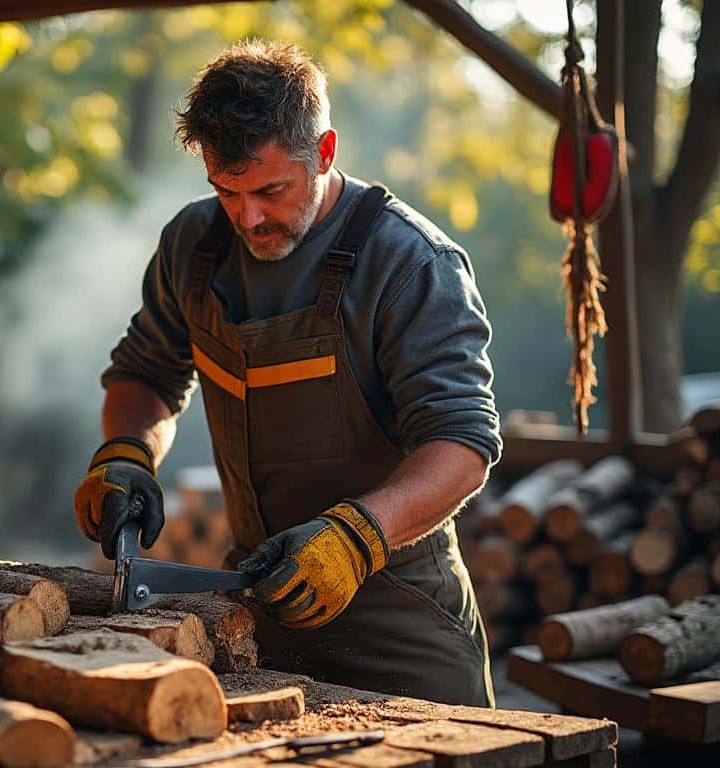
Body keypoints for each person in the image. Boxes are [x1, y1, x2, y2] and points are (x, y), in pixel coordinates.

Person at [74, 40, 501, 706]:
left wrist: (356, 540)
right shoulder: (194, 244)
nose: (247, 217)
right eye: (226, 191)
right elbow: (146, 374)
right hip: (254, 614)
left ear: (324, 152)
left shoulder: (410, 263)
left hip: (399, 620)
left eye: (270, 190)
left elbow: (463, 445)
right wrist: (128, 450)